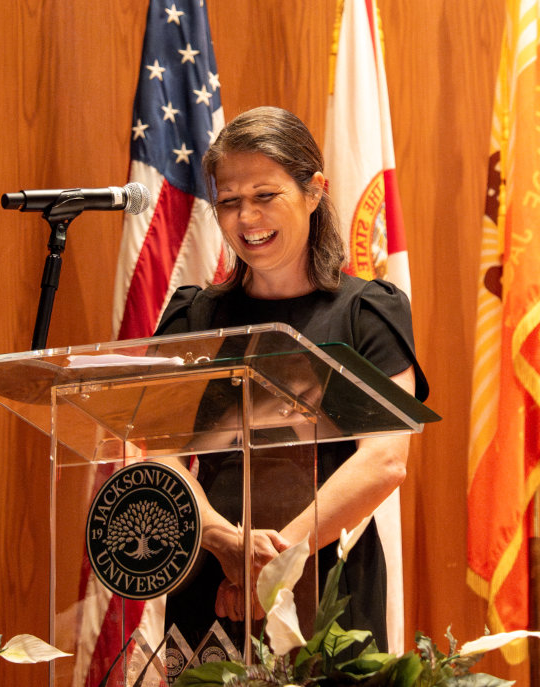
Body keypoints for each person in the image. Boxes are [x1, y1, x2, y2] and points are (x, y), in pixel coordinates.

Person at [155, 106, 429, 654]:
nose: (246, 217)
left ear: (315, 190)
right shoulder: (193, 317)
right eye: (229, 201)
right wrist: (223, 542)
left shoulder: (367, 312)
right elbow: (153, 450)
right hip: (211, 573)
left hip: (326, 577)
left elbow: (385, 458)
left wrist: (278, 563)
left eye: (265, 195)